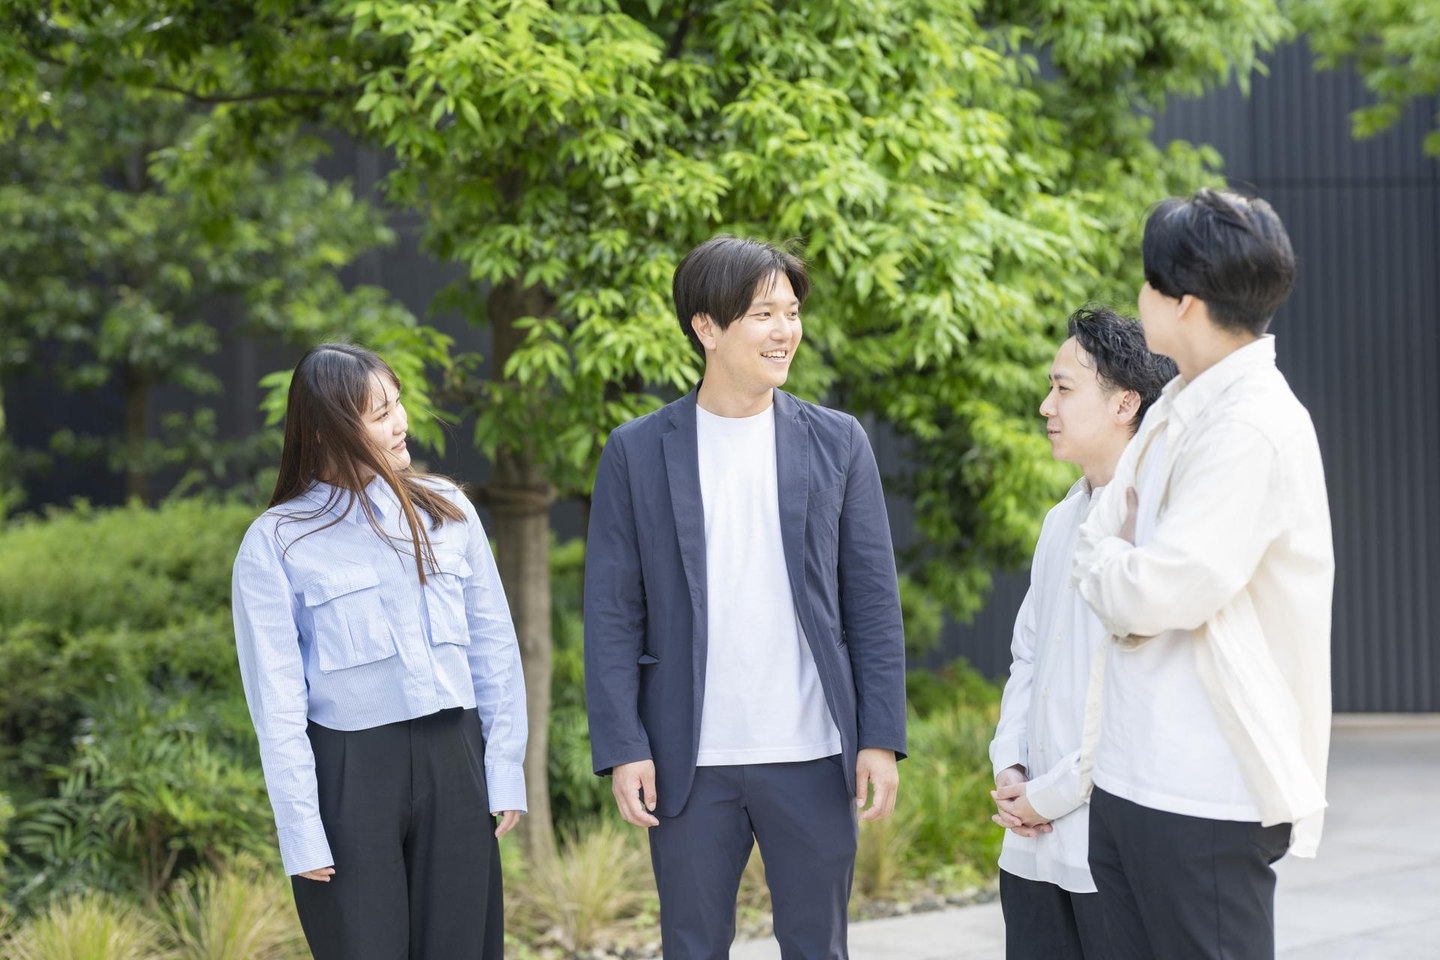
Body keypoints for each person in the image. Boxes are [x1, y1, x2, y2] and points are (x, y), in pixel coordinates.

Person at [583, 236, 908, 959]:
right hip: (688, 759)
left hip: (813, 751)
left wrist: (880, 738)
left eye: (791, 312)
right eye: (764, 314)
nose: (784, 330)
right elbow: (611, 613)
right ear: (707, 327)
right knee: (692, 945)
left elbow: (873, 603)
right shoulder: (636, 450)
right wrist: (624, 746)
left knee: (818, 948)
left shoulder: (838, 442)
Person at [1070, 189, 1335, 959]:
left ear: (1183, 302)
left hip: (1206, 791)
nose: (1140, 297)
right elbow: (1099, 532)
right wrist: (1117, 561)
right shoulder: (1177, 404)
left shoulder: (1250, 425)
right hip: (1132, 775)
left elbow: (1159, 591)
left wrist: (1113, 563)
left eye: (1149, 284)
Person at [230, 343, 526, 960]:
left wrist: (503, 769)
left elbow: (494, 648)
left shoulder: (448, 511)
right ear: (325, 430)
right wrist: (300, 828)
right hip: (351, 776)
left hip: (456, 761)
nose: (401, 423)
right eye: (380, 413)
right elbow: (276, 706)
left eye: (397, 404)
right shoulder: (276, 542)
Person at [989, 307, 1176, 959]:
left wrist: (1046, 796)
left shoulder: (1157, 526)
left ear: (1125, 403)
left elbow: (1141, 701)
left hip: (1108, 846)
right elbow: (1027, 656)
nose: (1047, 406)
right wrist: (1010, 765)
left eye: (1064, 388)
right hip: (1031, 848)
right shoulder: (1060, 518)